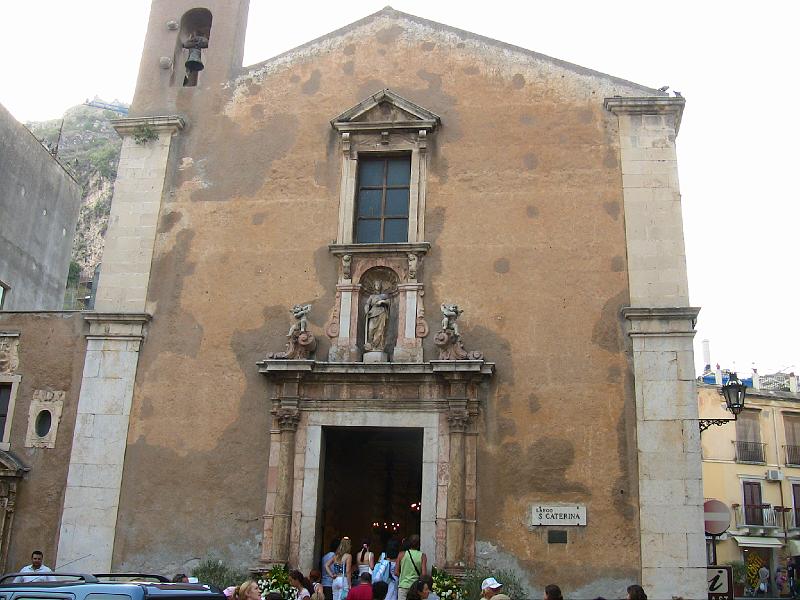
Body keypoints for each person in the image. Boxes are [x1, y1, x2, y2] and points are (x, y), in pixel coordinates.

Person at [395, 536, 427, 600]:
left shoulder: (401, 554)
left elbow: (396, 572)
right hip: (415, 587)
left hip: (403, 586)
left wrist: (403, 577)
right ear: (419, 544)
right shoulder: (422, 556)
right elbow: (424, 574)